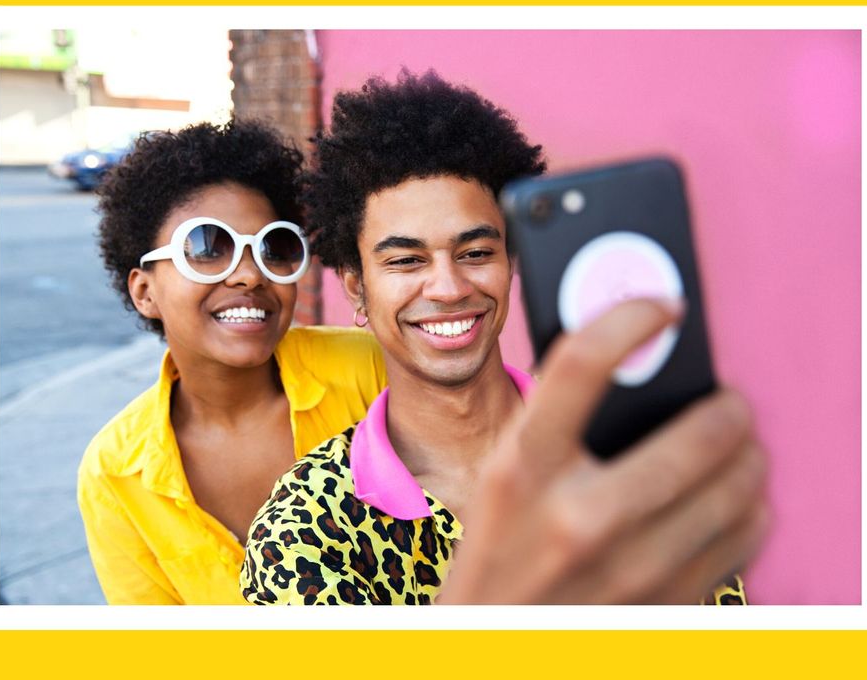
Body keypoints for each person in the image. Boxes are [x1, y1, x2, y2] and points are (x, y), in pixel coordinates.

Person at [241, 70, 765, 604]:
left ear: (511, 262)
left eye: (475, 253)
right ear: (357, 288)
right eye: (405, 260)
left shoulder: (626, 454)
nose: (447, 287)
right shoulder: (305, 527)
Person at [77, 120, 388, 604]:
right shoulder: (115, 471)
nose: (248, 275)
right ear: (144, 291)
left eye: (274, 248)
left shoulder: (368, 370)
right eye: (207, 248)